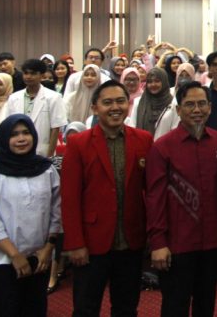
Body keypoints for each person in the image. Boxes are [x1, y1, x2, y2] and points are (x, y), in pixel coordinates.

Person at [61, 79, 153, 317]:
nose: (115, 107)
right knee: (85, 308)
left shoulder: (143, 139)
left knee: (126, 307)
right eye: (108, 102)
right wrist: (75, 243)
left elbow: (150, 191)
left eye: (121, 101)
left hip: (130, 241)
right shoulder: (78, 143)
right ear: (95, 108)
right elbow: (70, 198)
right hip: (92, 242)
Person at [146, 81, 217, 317]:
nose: (197, 110)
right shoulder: (162, 147)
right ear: (178, 109)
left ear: (210, 108)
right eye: (190, 104)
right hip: (177, 244)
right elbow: (154, 198)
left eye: (202, 104)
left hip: (212, 242)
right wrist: (158, 242)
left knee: (206, 304)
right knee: (175, 306)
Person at [0, 114, 62, 317]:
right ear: (3, 139)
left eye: (26, 133)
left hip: (39, 258)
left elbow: (56, 212)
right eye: (14, 135)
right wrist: (15, 256)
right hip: (2, 260)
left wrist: (48, 248)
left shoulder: (46, 170)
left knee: (34, 309)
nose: (21, 139)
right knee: (5, 309)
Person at [3, 59, 66, 157]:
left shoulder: (53, 97)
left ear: (41, 75)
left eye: (33, 73)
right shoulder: (14, 97)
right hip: (18, 150)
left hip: (42, 151)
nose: (28, 76)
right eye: (26, 73)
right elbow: (9, 126)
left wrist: (49, 157)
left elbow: (55, 129)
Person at [129, 67, 177, 138]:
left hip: (165, 144)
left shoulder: (173, 104)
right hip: (142, 143)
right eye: (150, 82)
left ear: (164, 82)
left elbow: (175, 130)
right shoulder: (138, 102)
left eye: (157, 81)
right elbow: (132, 127)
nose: (153, 84)